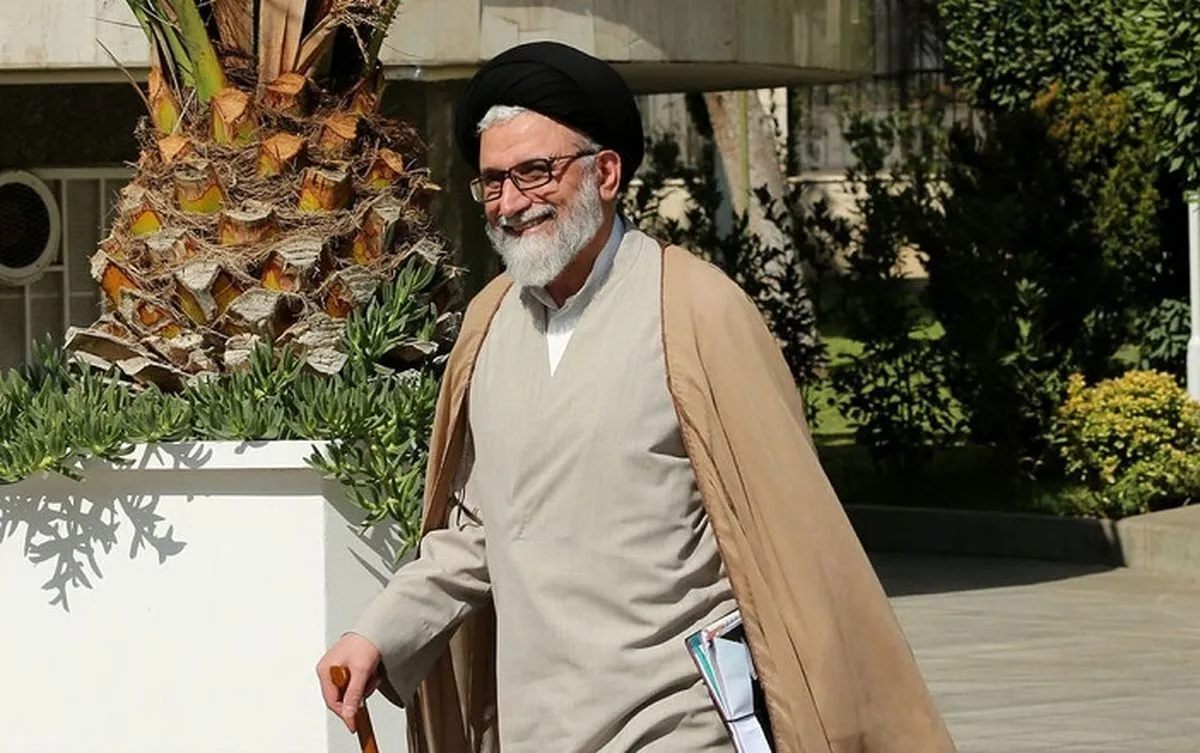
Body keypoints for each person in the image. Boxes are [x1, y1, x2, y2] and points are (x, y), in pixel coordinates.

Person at [316, 40, 956, 753]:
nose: (512, 203)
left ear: (606, 173)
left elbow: (792, 535)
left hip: (679, 724)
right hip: (538, 728)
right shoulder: (490, 323)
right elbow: (476, 531)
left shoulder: (696, 311)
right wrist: (378, 633)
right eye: (493, 182)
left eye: (535, 172)